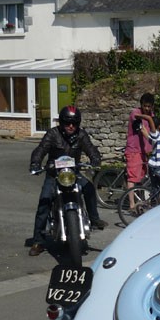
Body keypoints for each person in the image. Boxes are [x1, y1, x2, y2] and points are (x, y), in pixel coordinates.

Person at [28, 106, 105, 256]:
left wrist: (95, 159)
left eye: (74, 123)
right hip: (54, 175)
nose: (71, 126)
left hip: (72, 174)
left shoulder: (81, 135)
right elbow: (41, 149)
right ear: (62, 122)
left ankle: (94, 218)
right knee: (44, 202)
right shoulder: (53, 134)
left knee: (89, 188)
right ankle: (38, 241)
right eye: (67, 123)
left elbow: (91, 148)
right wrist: (35, 163)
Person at [127, 93, 156, 191]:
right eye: (145, 106)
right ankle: (131, 200)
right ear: (141, 104)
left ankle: (140, 198)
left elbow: (158, 127)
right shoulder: (135, 113)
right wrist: (152, 141)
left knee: (142, 178)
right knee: (132, 178)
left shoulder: (151, 115)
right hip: (134, 150)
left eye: (149, 106)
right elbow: (142, 129)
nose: (147, 108)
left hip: (144, 151)